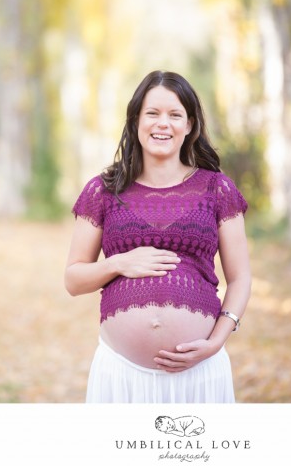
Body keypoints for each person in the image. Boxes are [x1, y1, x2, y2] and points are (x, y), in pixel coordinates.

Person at [64, 70, 251, 403]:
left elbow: (240, 279)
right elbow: (74, 279)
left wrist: (217, 340)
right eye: (152, 113)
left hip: (200, 373)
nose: (163, 123)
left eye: (175, 114)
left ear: (190, 125)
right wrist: (119, 263)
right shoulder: (104, 190)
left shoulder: (217, 188)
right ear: (136, 120)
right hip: (120, 374)